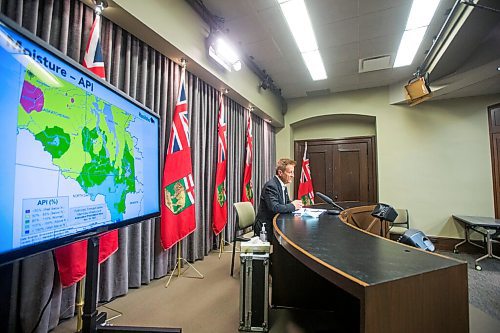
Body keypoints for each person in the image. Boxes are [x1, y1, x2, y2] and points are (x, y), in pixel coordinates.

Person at [254, 158, 303, 238]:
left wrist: (296, 205)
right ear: (280, 172)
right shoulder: (271, 186)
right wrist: (293, 206)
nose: (293, 175)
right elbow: (274, 207)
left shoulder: (282, 185)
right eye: (290, 172)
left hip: (278, 222)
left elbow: (286, 202)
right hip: (267, 227)